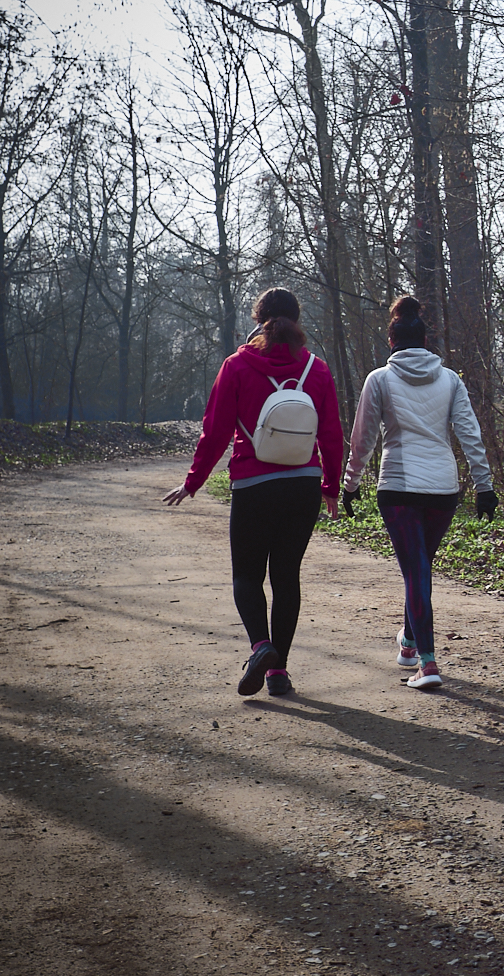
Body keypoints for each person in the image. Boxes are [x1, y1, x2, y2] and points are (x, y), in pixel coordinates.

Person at [163, 288, 343, 699]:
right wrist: (330, 486)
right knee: (286, 578)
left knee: (247, 575)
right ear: (297, 321)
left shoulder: (237, 365)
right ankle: (278, 673)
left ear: (258, 320)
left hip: (253, 485)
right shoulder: (317, 369)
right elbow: (331, 434)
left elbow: (216, 430)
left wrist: (194, 482)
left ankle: (260, 646)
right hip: (302, 486)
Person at [340, 295, 496, 691]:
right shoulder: (450, 379)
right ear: (425, 342)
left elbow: (363, 440)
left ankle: (427, 663)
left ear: (391, 343)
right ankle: (409, 644)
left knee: (417, 570)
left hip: (398, 488)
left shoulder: (380, 379)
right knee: (419, 568)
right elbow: (470, 434)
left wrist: (351, 483)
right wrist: (484, 485)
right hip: (443, 489)